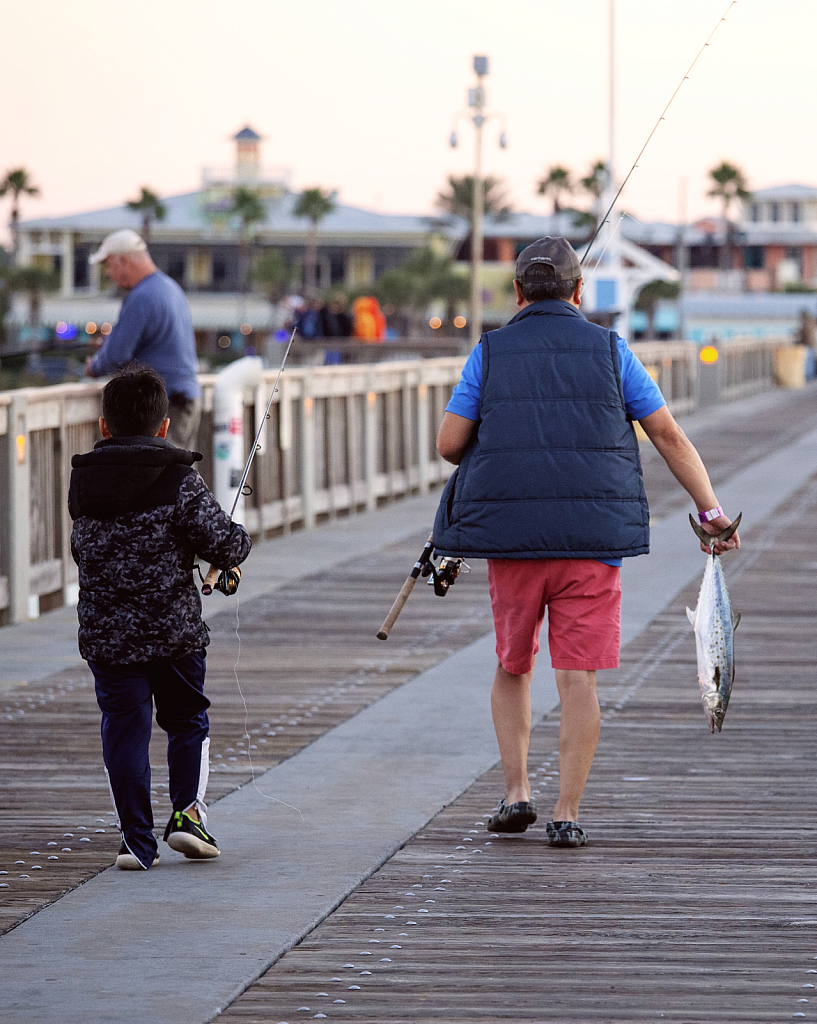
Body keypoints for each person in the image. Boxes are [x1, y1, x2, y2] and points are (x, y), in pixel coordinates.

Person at [433, 237, 739, 848]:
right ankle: (565, 813)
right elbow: (669, 436)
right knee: (579, 679)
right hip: (592, 545)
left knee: (513, 664)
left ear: (517, 293)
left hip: (514, 543)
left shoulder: (488, 353)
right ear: (578, 292)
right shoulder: (611, 349)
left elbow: (448, 444)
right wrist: (711, 512)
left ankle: (516, 791)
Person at [69, 364, 251, 870]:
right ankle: (188, 816)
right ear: (165, 427)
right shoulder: (179, 477)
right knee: (186, 720)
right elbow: (227, 544)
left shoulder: (82, 480)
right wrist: (235, 545)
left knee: (124, 728)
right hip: (174, 633)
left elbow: (80, 551)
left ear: (104, 426)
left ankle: (135, 842)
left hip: (107, 635)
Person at [84, 229, 202, 451]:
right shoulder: (169, 288)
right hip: (186, 397)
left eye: (108, 265)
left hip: (164, 405)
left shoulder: (141, 297)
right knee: (179, 476)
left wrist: (94, 367)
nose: (108, 273)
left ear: (123, 261)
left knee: (162, 477)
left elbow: (115, 356)